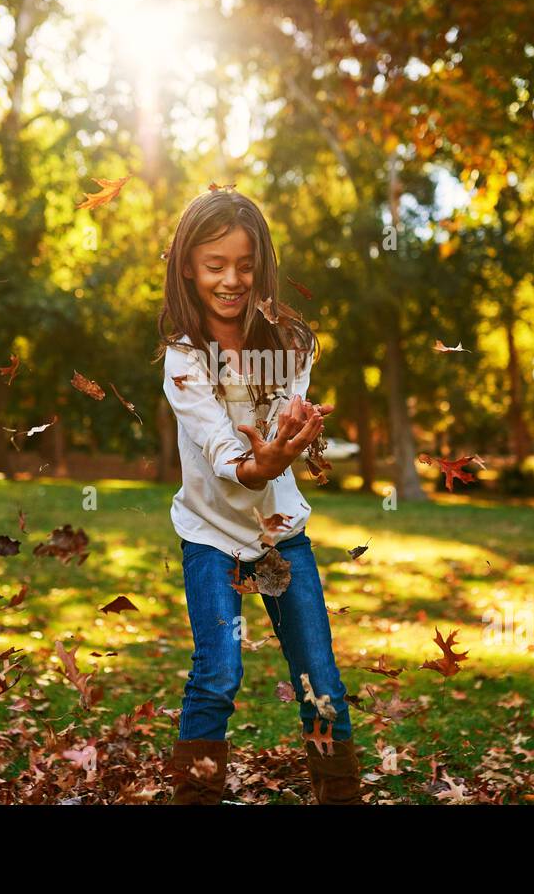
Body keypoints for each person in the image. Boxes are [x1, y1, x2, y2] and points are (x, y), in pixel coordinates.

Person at [153, 185, 363, 805]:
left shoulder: (293, 344)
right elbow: (225, 454)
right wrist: (260, 462)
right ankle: (197, 796)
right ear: (188, 267)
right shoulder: (184, 360)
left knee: (318, 677)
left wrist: (285, 445)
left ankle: (340, 794)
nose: (231, 279)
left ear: (262, 266)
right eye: (215, 265)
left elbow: (278, 430)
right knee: (219, 673)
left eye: (245, 265)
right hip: (209, 535)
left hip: (280, 534)